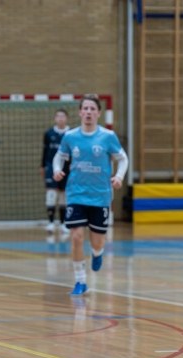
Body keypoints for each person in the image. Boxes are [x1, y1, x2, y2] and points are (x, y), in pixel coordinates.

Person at [53, 94, 127, 296]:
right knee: (76, 237)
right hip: (76, 193)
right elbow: (59, 157)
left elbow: (123, 159)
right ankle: (80, 281)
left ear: (98, 113)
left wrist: (119, 176)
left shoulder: (107, 137)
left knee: (97, 241)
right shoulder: (70, 137)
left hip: (101, 196)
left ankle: (97, 253)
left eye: (92, 109)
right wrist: (57, 170)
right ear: (79, 112)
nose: (88, 112)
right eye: (85, 108)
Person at [40, 109, 70, 235]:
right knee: (51, 194)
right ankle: (51, 223)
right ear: (55, 119)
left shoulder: (71, 134)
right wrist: (42, 166)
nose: (60, 119)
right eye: (58, 116)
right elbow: (45, 151)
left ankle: (63, 224)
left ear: (66, 118)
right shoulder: (48, 134)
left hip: (67, 168)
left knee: (63, 196)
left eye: (63, 116)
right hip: (51, 167)